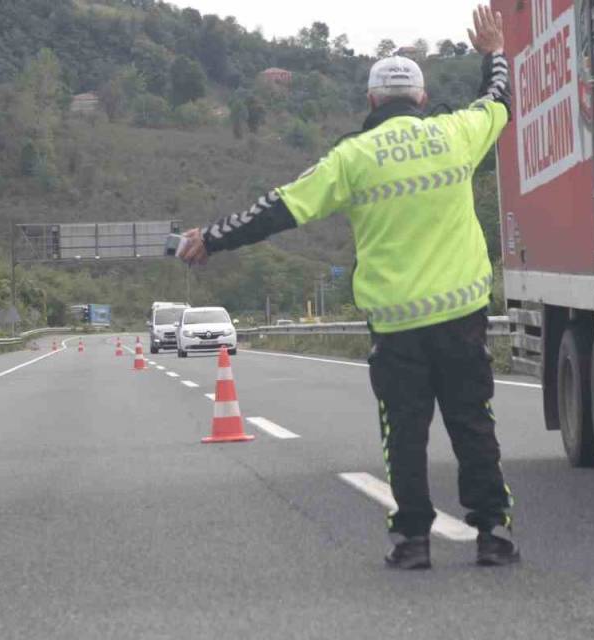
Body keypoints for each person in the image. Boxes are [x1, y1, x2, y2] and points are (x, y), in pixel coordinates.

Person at [178, 6, 519, 570]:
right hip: (462, 316)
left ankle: (413, 542)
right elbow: (499, 102)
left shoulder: (352, 158)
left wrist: (212, 238)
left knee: (404, 436)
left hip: (397, 326)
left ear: (370, 103)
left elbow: (280, 208)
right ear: (423, 99)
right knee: (473, 424)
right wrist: (494, 52)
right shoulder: (454, 135)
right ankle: (494, 535)